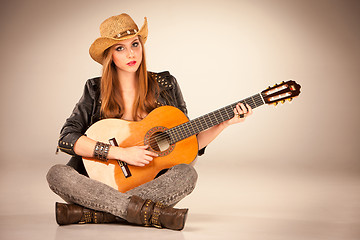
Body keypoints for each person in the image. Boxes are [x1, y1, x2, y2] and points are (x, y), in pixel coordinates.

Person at [46, 13, 252, 231]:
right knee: (57, 174)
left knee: (186, 173)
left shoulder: (166, 84)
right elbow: (67, 139)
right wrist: (121, 154)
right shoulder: (95, 89)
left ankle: (95, 213)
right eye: (120, 48)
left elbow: (187, 143)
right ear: (109, 56)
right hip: (97, 183)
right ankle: (149, 213)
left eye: (135, 44)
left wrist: (223, 124)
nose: (131, 53)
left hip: (149, 185)